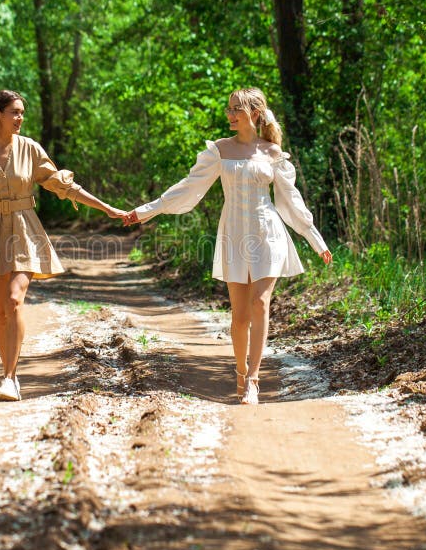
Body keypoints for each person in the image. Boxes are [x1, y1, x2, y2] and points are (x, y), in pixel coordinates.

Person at [123, 87, 332, 404]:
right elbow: (186, 188)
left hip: (267, 232)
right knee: (239, 317)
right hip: (234, 233)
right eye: (229, 109)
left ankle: (253, 380)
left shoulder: (272, 153)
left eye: (237, 109)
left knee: (261, 304)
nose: (230, 114)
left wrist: (315, 239)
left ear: (255, 114)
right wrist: (146, 211)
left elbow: (291, 202)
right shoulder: (219, 150)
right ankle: (239, 370)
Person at [0, 89, 127, 401]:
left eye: (22, 112)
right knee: (0, 310)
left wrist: (106, 208)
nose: (20, 118)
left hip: (25, 228)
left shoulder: (29, 148)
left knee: (15, 300)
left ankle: (9, 377)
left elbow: (61, 184)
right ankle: (7, 369)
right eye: (14, 112)